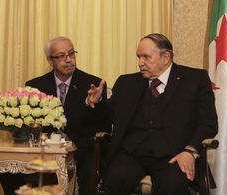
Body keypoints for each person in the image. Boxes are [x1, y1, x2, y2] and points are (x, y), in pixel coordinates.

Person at [87, 33, 218, 195]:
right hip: (131, 154)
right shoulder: (126, 82)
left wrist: (189, 151)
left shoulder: (194, 79)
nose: (140, 63)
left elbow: (208, 123)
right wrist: (97, 103)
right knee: (114, 178)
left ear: (166, 57)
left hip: (174, 154)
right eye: (139, 57)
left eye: (146, 57)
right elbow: (108, 118)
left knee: (172, 185)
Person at [0, 36, 109, 195]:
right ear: (50, 61)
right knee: (8, 167)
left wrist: (94, 104)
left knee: (89, 166)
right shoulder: (35, 86)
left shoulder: (93, 84)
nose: (69, 59)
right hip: (43, 149)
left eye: (71, 54)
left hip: (81, 149)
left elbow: (103, 124)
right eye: (62, 56)